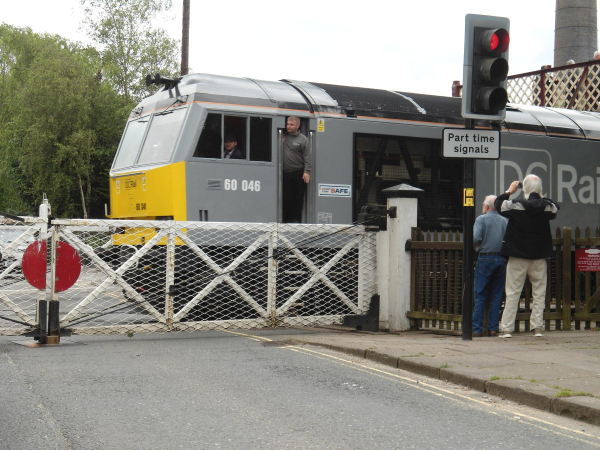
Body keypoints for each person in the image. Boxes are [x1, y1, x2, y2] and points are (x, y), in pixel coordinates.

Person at [494, 175, 559, 338]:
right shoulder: (547, 207)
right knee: (539, 293)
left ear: (525, 188)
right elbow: (555, 207)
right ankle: (537, 327)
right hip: (539, 257)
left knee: (513, 292)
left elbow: (498, 205)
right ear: (539, 190)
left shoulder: (516, 205)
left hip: (518, 256)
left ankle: (507, 328)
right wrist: (540, 196)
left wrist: (509, 191)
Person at [472, 195, 508, 337]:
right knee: (497, 294)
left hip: (485, 259)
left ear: (486, 207)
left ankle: (476, 329)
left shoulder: (481, 219)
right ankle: (493, 328)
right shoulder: (505, 220)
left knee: (480, 294)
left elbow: (475, 238)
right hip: (501, 259)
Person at [282, 116, 311, 223]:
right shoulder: (282, 137)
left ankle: (296, 222)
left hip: (298, 172)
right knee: (286, 198)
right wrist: (280, 142)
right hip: (285, 173)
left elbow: (308, 157)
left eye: (291, 124)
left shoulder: (303, 140)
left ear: (298, 126)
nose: (288, 126)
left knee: (298, 199)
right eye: (288, 124)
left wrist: (307, 171)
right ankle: (286, 221)